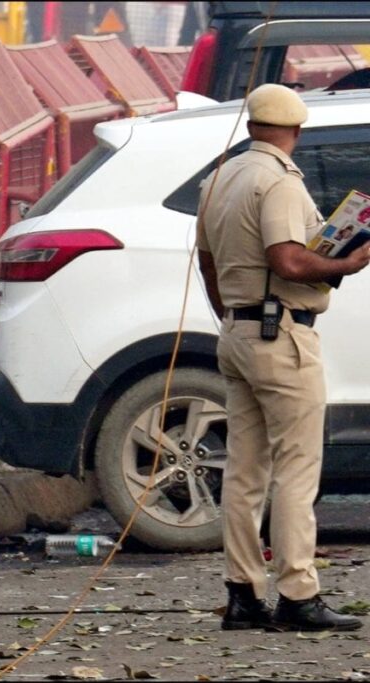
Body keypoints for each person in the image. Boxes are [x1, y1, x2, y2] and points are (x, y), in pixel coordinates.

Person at [196, 83, 369, 632]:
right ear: (296, 131)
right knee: (296, 469)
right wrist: (348, 264)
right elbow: (290, 262)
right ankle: (298, 594)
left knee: (245, 472)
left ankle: (243, 594)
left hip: (238, 334)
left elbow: (206, 263)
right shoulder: (280, 182)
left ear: (253, 126)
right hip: (283, 335)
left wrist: (235, 313)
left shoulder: (218, 178)